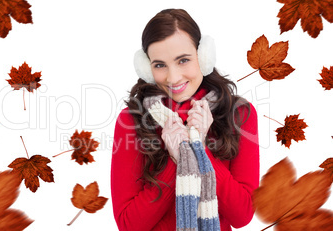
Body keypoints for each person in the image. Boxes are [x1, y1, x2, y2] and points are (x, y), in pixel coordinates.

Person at [111, 8, 259, 231]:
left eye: (183, 60)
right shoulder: (131, 120)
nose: (173, 77)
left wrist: (199, 150)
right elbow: (128, 224)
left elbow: (243, 215)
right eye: (160, 65)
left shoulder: (240, 114)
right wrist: (175, 159)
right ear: (147, 68)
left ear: (203, 57)